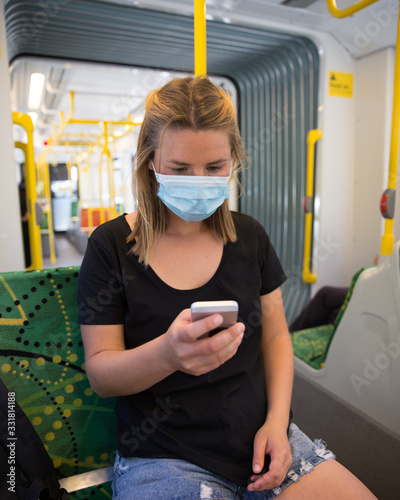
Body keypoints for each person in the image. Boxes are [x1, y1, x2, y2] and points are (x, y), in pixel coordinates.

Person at [77, 76, 377, 500]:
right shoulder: (110, 246)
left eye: (214, 167)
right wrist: (167, 354)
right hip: (165, 456)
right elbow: (102, 374)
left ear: (233, 161)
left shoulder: (249, 236)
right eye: (180, 169)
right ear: (149, 161)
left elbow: (274, 336)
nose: (199, 180)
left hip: (263, 437)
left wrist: (277, 423)